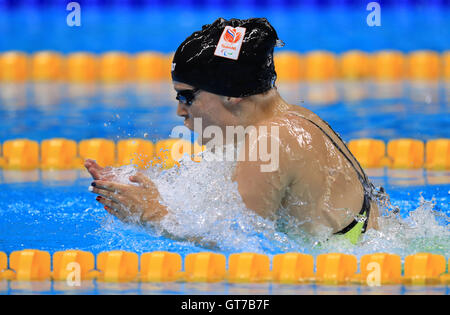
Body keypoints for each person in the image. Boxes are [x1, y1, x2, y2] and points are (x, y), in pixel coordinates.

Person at [86, 17, 379, 244]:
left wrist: (151, 214)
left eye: (187, 96)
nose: (180, 110)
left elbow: (245, 243)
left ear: (231, 94)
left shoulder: (267, 141)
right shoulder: (298, 119)